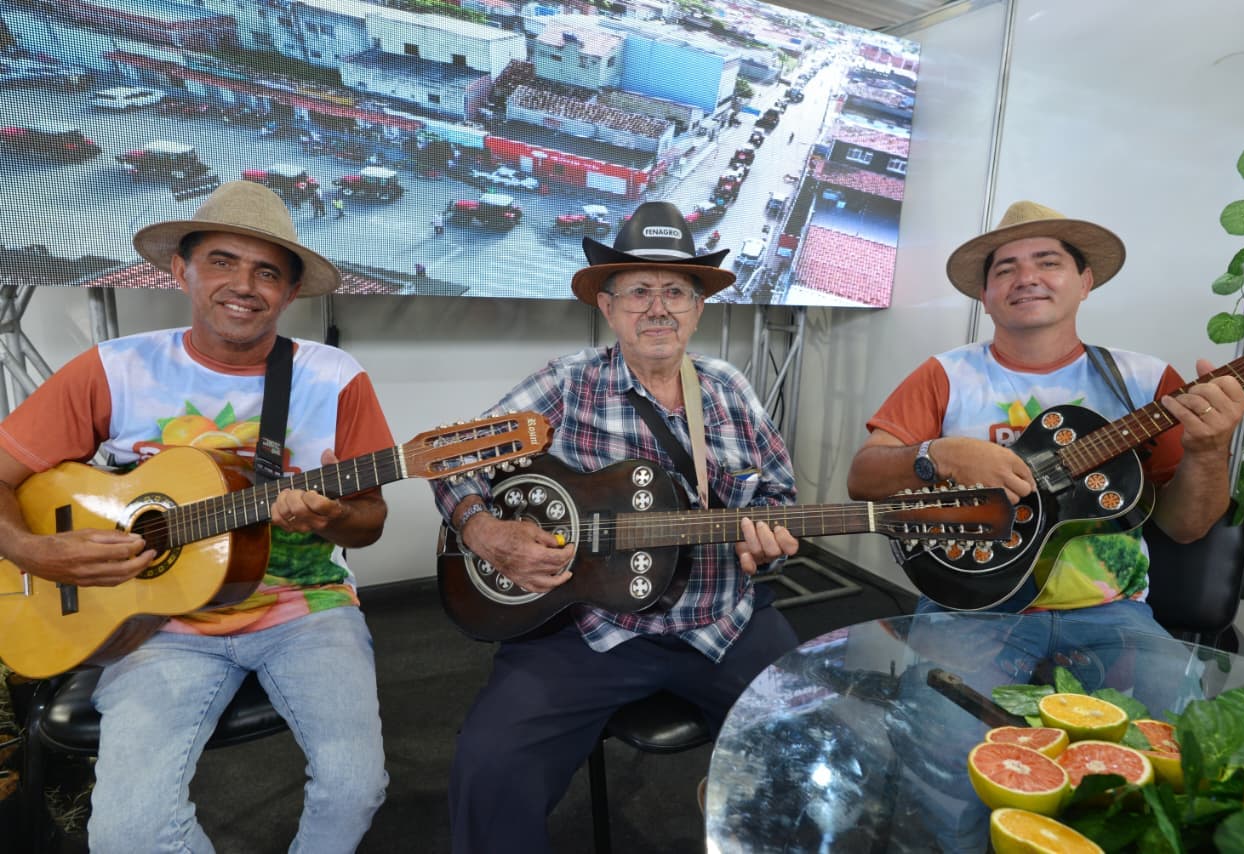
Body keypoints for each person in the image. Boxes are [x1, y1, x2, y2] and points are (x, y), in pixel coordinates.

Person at [846, 200, 1244, 849]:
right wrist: (936, 454)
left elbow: (1185, 528)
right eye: (1005, 268)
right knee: (943, 750)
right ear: (985, 294)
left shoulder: (1147, 381)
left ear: (1085, 281)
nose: (1026, 277)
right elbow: (864, 477)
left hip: (1114, 611)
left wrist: (1207, 451)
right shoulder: (946, 374)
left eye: (1048, 261)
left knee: (1185, 745)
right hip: (970, 606)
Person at [0, 181, 392, 852]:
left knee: (355, 787)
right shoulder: (113, 368)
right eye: (222, 261)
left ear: (290, 292)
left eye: (267, 271)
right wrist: (31, 550)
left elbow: (371, 519)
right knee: (126, 833)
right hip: (155, 624)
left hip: (305, 608)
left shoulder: (335, 376)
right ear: (181, 270)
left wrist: (329, 519)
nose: (243, 285)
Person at [432, 201, 801, 854]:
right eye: (638, 292)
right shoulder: (567, 383)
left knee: (815, 743)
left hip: (723, 623)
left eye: (675, 292)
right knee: (490, 768)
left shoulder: (730, 390)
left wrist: (766, 551)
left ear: (698, 308)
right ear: (608, 308)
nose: (658, 309)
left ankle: (744, 816)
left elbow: (779, 496)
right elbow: (451, 457)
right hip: (592, 631)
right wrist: (482, 529)